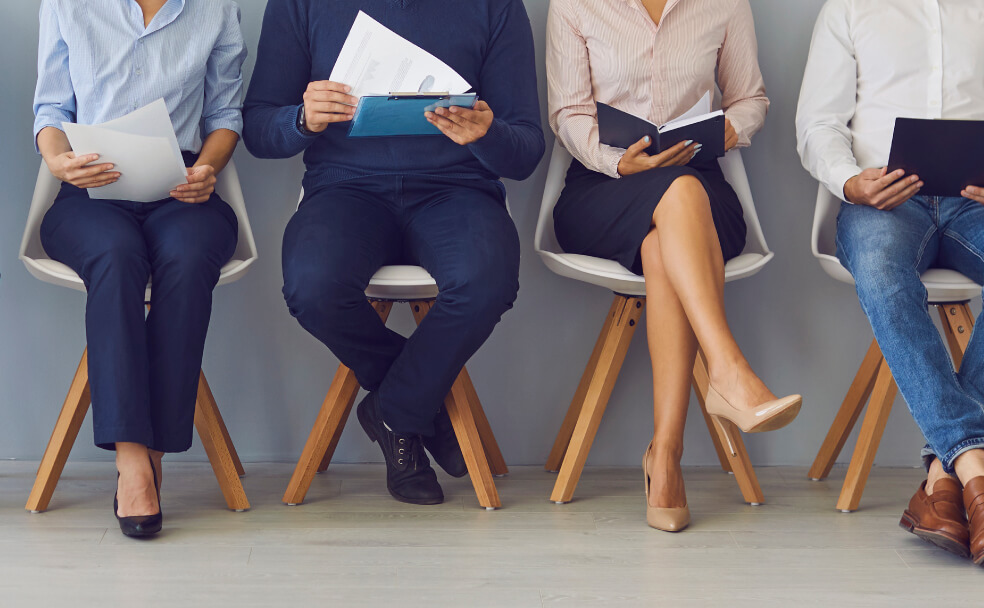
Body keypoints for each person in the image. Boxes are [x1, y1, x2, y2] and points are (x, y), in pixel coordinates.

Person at [243, 0, 544, 505]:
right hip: (345, 187)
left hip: (457, 188)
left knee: (487, 280)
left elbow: (527, 149)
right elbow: (258, 129)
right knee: (312, 284)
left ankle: (394, 412)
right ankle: (421, 409)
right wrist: (302, 119)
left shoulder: (496, 6)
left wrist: (488, 134)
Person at [796, 0, 984, 564]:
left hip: (979, 202)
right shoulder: (849, 10)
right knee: (882, 274)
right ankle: (978, 470)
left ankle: (947, 473)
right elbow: (818, 124)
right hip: (884, 202)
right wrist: (851, 182)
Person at [547, 0, 801, 533]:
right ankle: (727, 371)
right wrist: (617, 161)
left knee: (666, 237)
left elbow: (750, 99)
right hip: (604, 185)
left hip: (700, 188)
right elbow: (568, 112)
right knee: (673, 206)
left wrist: (727, 131)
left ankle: (665, 454)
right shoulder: (574, 5)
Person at [33, 0, 246, 537]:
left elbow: (224, 115)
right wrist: (58, 161)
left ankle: (155, 452)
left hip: (180, 187)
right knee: (116, 254)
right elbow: (51, 110)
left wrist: (207, 168)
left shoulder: (217, 7)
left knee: (189, 255)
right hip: (90, 191)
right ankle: (132, 460)